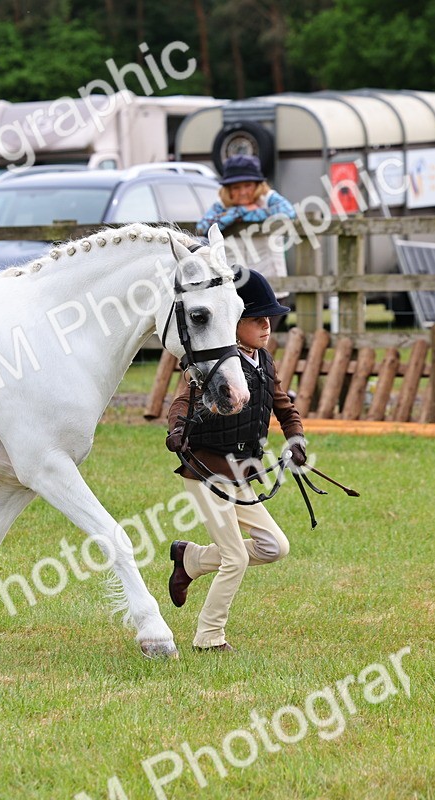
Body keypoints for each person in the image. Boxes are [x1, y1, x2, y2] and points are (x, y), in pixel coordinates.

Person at [165, 269, 307, 653]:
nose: (266, 327)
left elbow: (283, 406)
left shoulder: (265, 360)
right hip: (206, 473)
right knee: (235, 558)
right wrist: (176, 429)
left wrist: (295, 438)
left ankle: (190, 559)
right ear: (233, 323)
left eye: (269, 320)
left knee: (275, 547)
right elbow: (181, 404)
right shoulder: (210, 366)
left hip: (242, 474)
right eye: (257, 320)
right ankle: (209, 638)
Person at [196, 155, 296, 320]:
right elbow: (203, 227)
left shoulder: (269, 198)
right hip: (234, 288)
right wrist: (237, 212)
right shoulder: (221, 204)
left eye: (248, 185)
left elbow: (289, 213)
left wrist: (248, 213)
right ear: (228, 189)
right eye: (236, 187)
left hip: (271, 287)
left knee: (262, 338)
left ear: (257, 185)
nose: (242, 192)